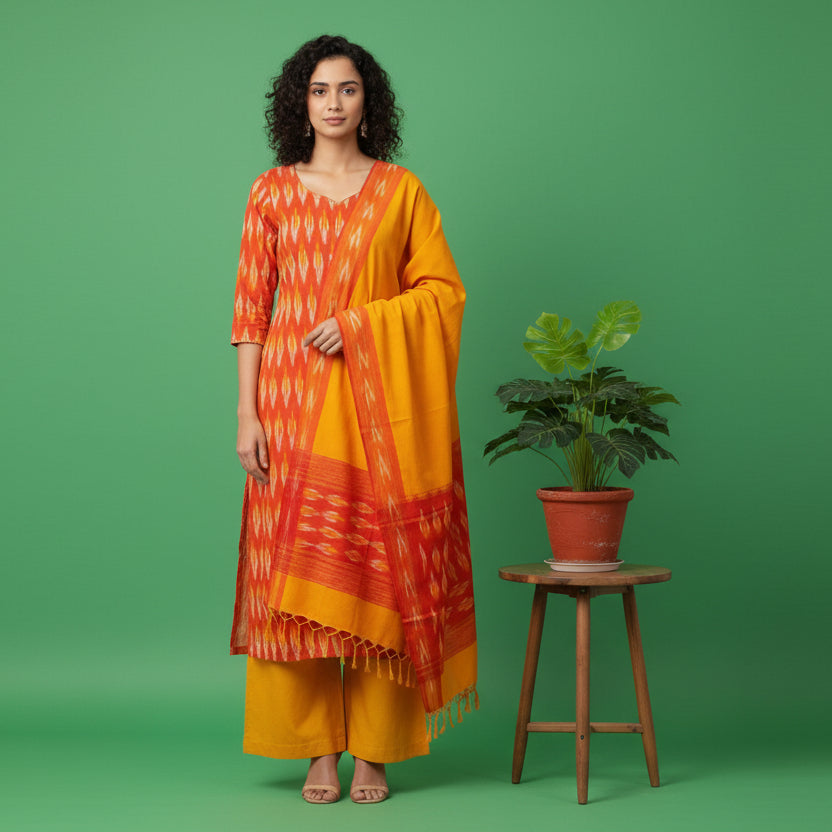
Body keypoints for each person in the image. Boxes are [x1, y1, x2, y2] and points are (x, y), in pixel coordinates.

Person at [230, 35, 477, 805]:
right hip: (293, 409)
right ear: (298, 104)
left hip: (375, 423)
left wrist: (364, 324)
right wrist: (248, 412)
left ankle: (375, 748)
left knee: (374, 577)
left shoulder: (402, 191)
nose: (333, 104)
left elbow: (443, 294)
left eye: (347, 90)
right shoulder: (271, 192)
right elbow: (250, 311)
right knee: (291, 582)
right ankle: (315, 749)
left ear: (369, 101)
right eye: (318, 91)